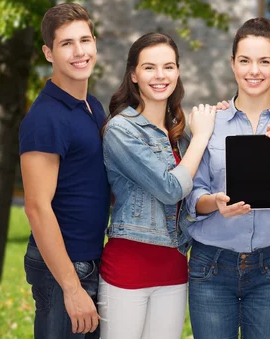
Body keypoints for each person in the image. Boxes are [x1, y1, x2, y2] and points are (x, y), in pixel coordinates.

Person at [183, 17, 270, 339]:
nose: (254, 70)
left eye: (264, 61)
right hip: (211, 265)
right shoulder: (210, 122)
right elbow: (191, 196)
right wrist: (215, 203)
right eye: (245, 61)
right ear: (233, 64)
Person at [96, 32, 216, 339]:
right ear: (133, 74)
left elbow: (191, 196)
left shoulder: (179, 134)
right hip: (127, 270)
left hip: (174, 270)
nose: (160, 75)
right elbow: (170, 188)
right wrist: (202, 136)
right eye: (149, 67)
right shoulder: (121, 129)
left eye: (168, 66)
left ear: (177, 71)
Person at [20, 3, 109, 338]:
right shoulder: (45, 118)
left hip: (90, 260)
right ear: (48, 52)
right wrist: (72, 288)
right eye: (66, 43)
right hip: (63, 270)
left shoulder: (92, 106)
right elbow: (36, 207)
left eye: (84, 40)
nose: (79, 51)